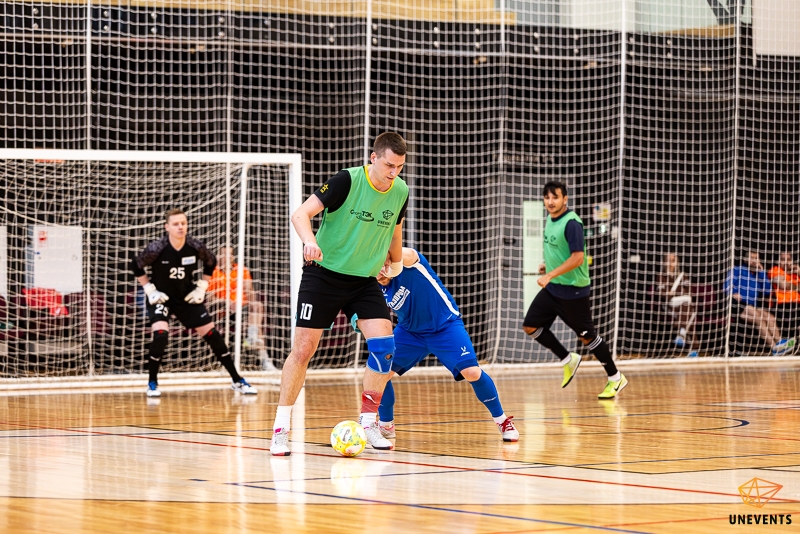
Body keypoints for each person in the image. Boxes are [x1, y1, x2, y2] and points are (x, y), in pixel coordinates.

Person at [270, 132, 410, 456]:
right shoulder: (347, 180)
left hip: (364, 281)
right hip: (324, 275)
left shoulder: (401, 191)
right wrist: (310, 241)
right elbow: (300, 214)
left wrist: (395, 265)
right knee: (303, 350)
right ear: (373, 158)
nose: (393, 172)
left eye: (400, 167)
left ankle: (369, 422)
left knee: (385, 348)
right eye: (389, 165)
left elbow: (395, 231)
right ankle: (280, 428)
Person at [353, 248, 518, 442]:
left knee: (472, 372)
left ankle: (502, 421)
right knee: (380, 372)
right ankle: (386, 425)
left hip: (445, 326)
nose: (381, 271)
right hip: (410, 332)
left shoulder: (409, 264)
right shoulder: (373, 287)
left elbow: (408, 253)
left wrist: (385, 251)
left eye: (383, 265)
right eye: (374, 268)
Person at [131, 209, 258, 397]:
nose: (180, 227)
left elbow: (211, 262)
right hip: (162, 298)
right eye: (176, 224)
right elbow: (136, 265)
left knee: (213, 335)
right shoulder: (156, 248)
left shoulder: (194, 246)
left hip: (186, 298)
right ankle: (152, 383)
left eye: (183, 223)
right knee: (160, 335)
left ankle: (237, 380)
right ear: (167, 227)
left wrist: (202, 287)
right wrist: (150, 289)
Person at [522, 181, 628, 399]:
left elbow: (578, 258)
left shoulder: (572, 223)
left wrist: (550, 274)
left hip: (573, 292)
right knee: (530, 325)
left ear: (565, 199)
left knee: (588, 338)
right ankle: (567, 359)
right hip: (554, 289)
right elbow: (559, 252)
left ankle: (615, 377)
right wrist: (548, 266)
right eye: (547, 197)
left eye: (555, 197)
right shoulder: (550, 219)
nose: (550, 202)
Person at [726, 250, 795, 355]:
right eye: (752, 258)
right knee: (757, 317)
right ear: (745, 259)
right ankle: (774, 347)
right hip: (738, 305)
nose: (754, 261)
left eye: (756, 258)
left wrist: (762, 272)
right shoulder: (737, 270)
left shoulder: (759, 274)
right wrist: (733, 293)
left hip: (752, 306)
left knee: (770, 317)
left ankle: (780, 342)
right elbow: (726, 286)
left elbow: (767, 291)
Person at [654, 253, 698, 356]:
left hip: (683, 305)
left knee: (687, 308)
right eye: (668, 260)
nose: (670, 263)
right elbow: (662, 294)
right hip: (669, 306)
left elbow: (689, 292)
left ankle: (682, 334)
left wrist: (674, 293)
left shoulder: (682, 276)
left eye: (673, 260)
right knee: (690, 312)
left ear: (677, 262)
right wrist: (676, 293)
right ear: (664, 262)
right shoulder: (661, 276)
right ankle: (693, 348)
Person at [768, 252, 800, 339]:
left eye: (788, 260)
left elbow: (788, 285)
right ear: (778, 261)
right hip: (783, 305)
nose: (786, 262)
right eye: (783, 259)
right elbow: (783, 285)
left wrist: (799, 272)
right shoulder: (775, 270)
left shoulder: (795, 273)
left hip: (797, 303)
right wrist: (797, 286)